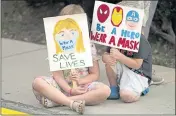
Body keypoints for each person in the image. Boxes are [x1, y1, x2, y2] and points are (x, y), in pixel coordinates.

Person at [32, 4, 110, 114]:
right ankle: (71, 103)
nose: (68, 33)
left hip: (83, 87)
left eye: (73, 29)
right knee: (37, 82)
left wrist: (80, 81)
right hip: (61, 85)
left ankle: (60, 101)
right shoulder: (56, 46)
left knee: (105, 91)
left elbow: (95, 74)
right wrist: (70, 90)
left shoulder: (88, 46)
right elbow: (57, 75)